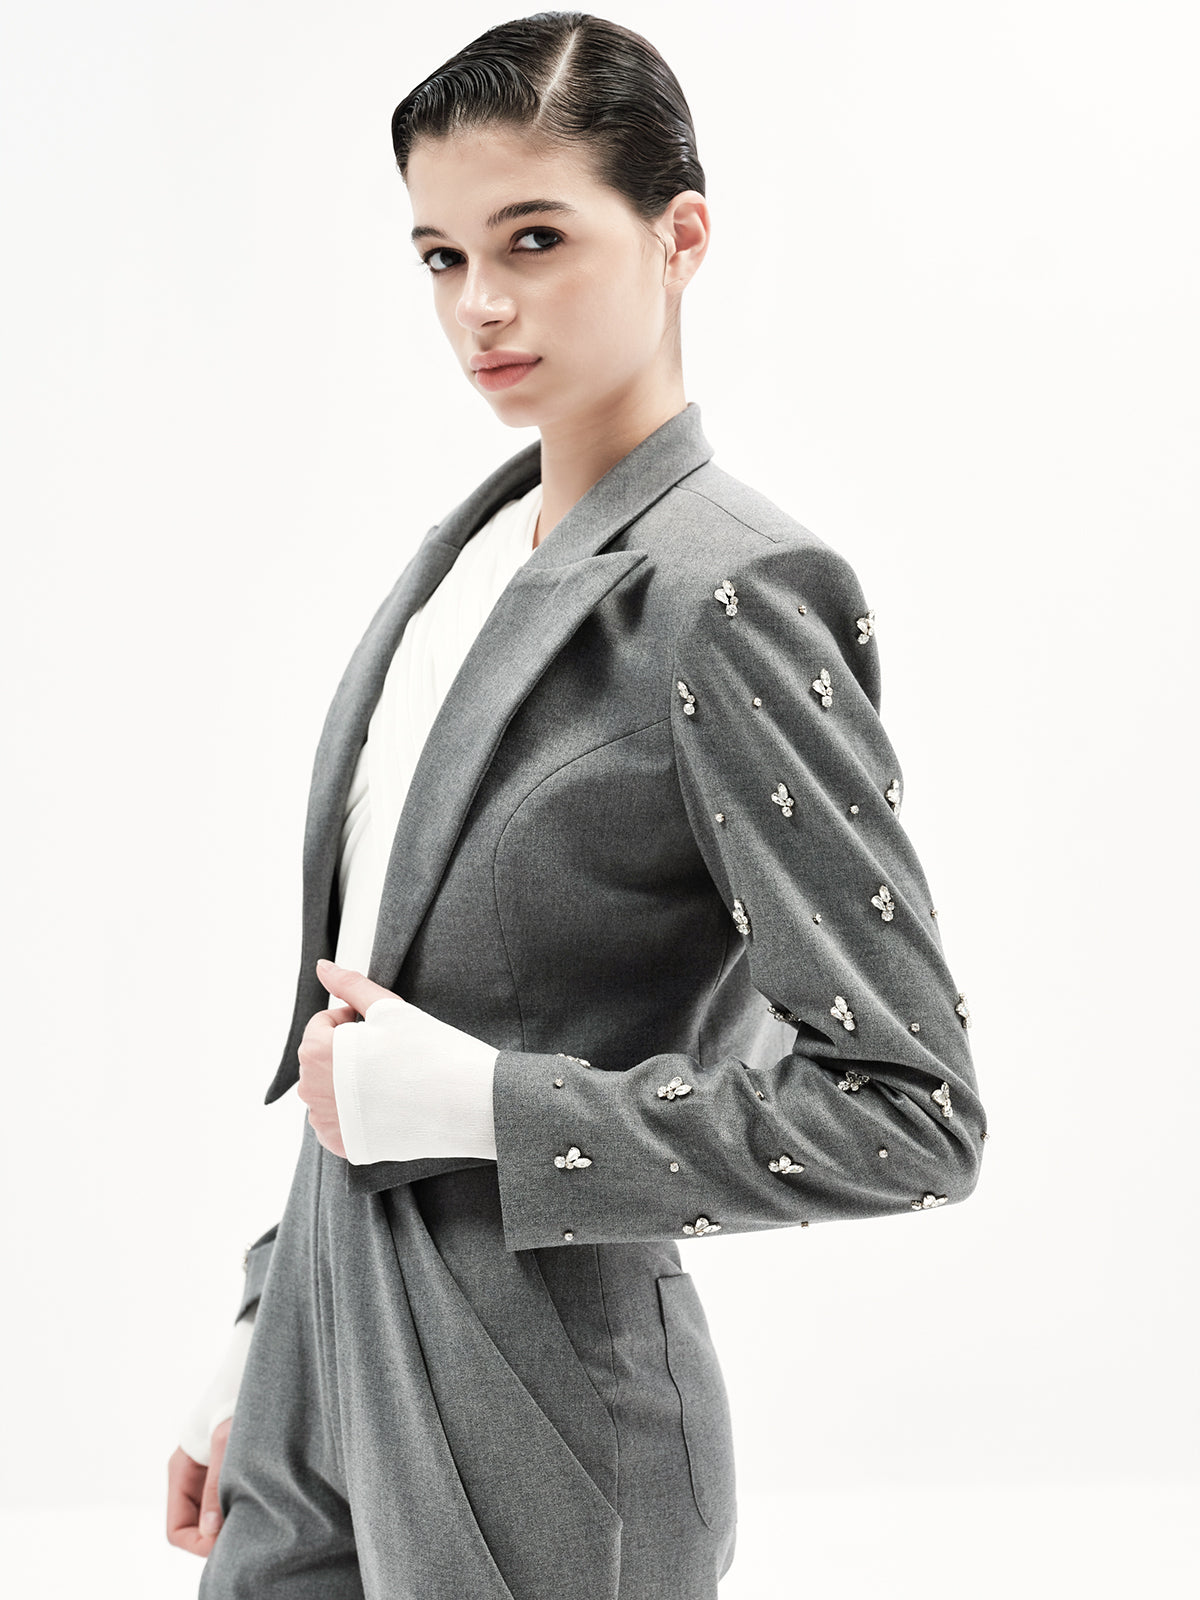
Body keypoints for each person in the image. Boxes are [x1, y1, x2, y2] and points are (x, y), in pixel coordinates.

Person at [165, 12, 987, 1597]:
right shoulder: (463, 565)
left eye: (533, 240)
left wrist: (491, 1108)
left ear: (681, 239)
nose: (480, 304)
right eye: (441, 256)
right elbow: (372, 1023)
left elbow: (911, 1117)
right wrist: (271, 1327)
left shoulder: (729, 593)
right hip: (318, 1377)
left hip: (545, 1422)